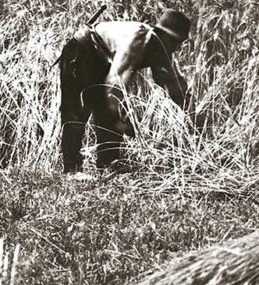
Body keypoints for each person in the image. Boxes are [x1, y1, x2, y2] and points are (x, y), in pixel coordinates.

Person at [60, 9, 192, 173]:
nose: (177, 47)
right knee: (77, 110)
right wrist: (124, 118)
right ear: (163, 34)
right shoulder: (139, 39)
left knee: (107, 114)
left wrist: (191, 111)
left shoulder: (162, 48)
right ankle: (72, 169)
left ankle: (108, 167)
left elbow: (171, 83)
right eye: (175, 42)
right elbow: (116, 84)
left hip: (101, 59)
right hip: (81, 51)